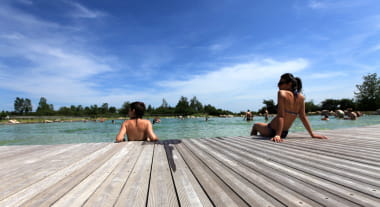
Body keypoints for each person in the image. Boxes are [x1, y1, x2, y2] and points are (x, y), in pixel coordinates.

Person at [250, 73, 328, 142]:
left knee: (255, 125)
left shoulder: (282, 93)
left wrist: (278, 134)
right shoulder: (301, 97)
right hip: (284, 132)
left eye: (281, 83)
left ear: (289, 84)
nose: (278, 85)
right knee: (260, 125)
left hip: (272, 130)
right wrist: (312, 134)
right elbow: (303, 117)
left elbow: (281, 116)